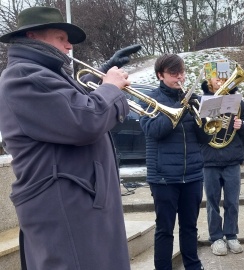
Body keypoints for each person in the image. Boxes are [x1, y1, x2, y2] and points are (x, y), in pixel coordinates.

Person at [0, 6, 141, 269]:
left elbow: (69, 99)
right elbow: (84, 120)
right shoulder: (23, 77)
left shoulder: (42, 72)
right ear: (32, 36)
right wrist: (110, 87)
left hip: (76, 199)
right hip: (64, 205)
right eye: (60, 38)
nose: (68, 47)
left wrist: (105, 69)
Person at [139, 53, 210, 270]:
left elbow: (205, 138)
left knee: (189, 227)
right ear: (160, 75)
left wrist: (204, 119)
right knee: (165, 229)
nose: (180, 77)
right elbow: (154, 131)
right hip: (164, 177)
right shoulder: (150, 100)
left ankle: (193, 266)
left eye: (182, 72)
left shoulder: (193, 98)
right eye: (173, 73)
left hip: (193, 174)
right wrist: (180, 108)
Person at [199, 60, 244, 256]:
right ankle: (216, 237)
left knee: (232, 201)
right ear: (209, 80)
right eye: (217, 78)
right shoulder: (201, 101)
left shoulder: (238, 102)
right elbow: (196, 130)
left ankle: (231, 235)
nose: (221, 81)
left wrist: (240, 125)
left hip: (231, 159)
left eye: (224, 77)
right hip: (210, 159)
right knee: (212, 202)